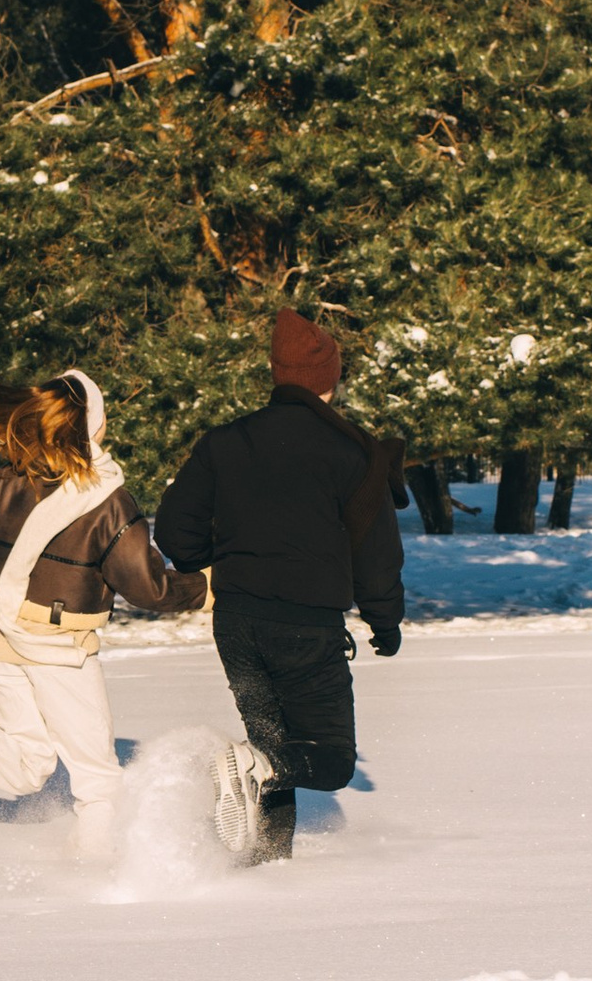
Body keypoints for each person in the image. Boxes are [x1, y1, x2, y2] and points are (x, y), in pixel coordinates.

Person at [0, 367, 204, 852]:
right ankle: (98, 876)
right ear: (93, 426)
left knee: (29, 768)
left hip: (6, 639)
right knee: (97, 778)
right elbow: (147, 588)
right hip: (61, 647)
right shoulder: (108, 501)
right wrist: (201, 590)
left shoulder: (6, 482)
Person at [153, 308, 405, 863]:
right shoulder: (354, 452)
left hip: (238, 623)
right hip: (306, 629)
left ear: (278, 375)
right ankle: (257, 779)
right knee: (330, 760)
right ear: (329, 381)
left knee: (269, 745)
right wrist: (384, 620)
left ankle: (267, 867)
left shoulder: (226, 442)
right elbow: (376, 552)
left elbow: (175, 530)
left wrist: (216, 560)